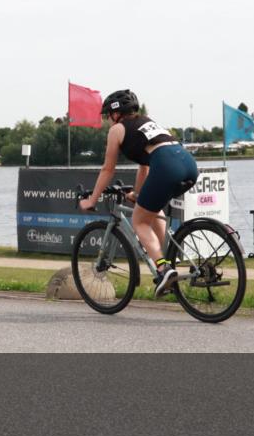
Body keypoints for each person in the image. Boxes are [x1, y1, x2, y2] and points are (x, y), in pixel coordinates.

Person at [78, 89, 199, 294]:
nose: (108, 119)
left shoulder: (117, 130)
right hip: (188, 164)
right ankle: (166, 264)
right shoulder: (147, 122)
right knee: (153, 211)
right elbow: (145, 167)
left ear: (116, 114)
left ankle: (162, 268)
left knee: (139, 221)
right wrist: (137, 194)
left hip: (166, 166)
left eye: (108, 114)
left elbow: (108, 169)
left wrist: (92, 199)